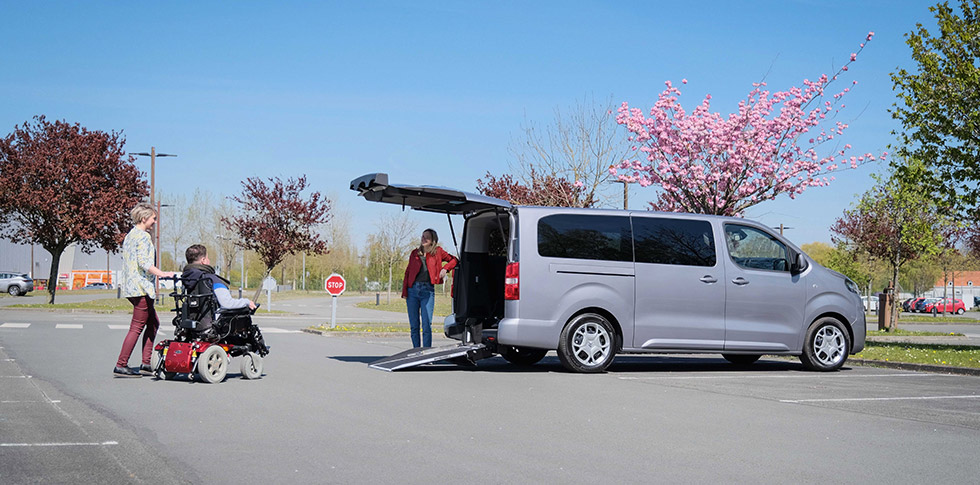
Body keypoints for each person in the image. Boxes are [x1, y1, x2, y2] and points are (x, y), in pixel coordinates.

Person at [114, 203, 176, 377]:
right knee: (137, 326)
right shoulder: (143, 237)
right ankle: (121, 364)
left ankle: (146, 363)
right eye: (153, 219)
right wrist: (162, 274)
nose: (155, 222)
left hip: (131, 286)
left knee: (153, 323)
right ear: (144, 219)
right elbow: (144, 262)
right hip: (141, 288)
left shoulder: (130, 235)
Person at [402, 228, 458, 348]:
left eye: (426, 237)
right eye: (422, 236)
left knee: (426, 324)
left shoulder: (438, 252)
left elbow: (454, 260)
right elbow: (408, 273)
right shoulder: (414, 253)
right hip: (412, 291)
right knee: (414, 325)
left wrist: (445, 268)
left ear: (432, 240)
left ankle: (426, 352)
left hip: (427, 291)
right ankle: (416, 352)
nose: (423, 239)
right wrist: (404, 291)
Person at [181, 244, 256, 322]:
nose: (209, 260)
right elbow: (227, 304)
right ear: (203, 260)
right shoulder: (211, 279)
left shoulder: (186, 278)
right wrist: (246, 302)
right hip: (213, 324)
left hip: (192, 321)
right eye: (207, 258)